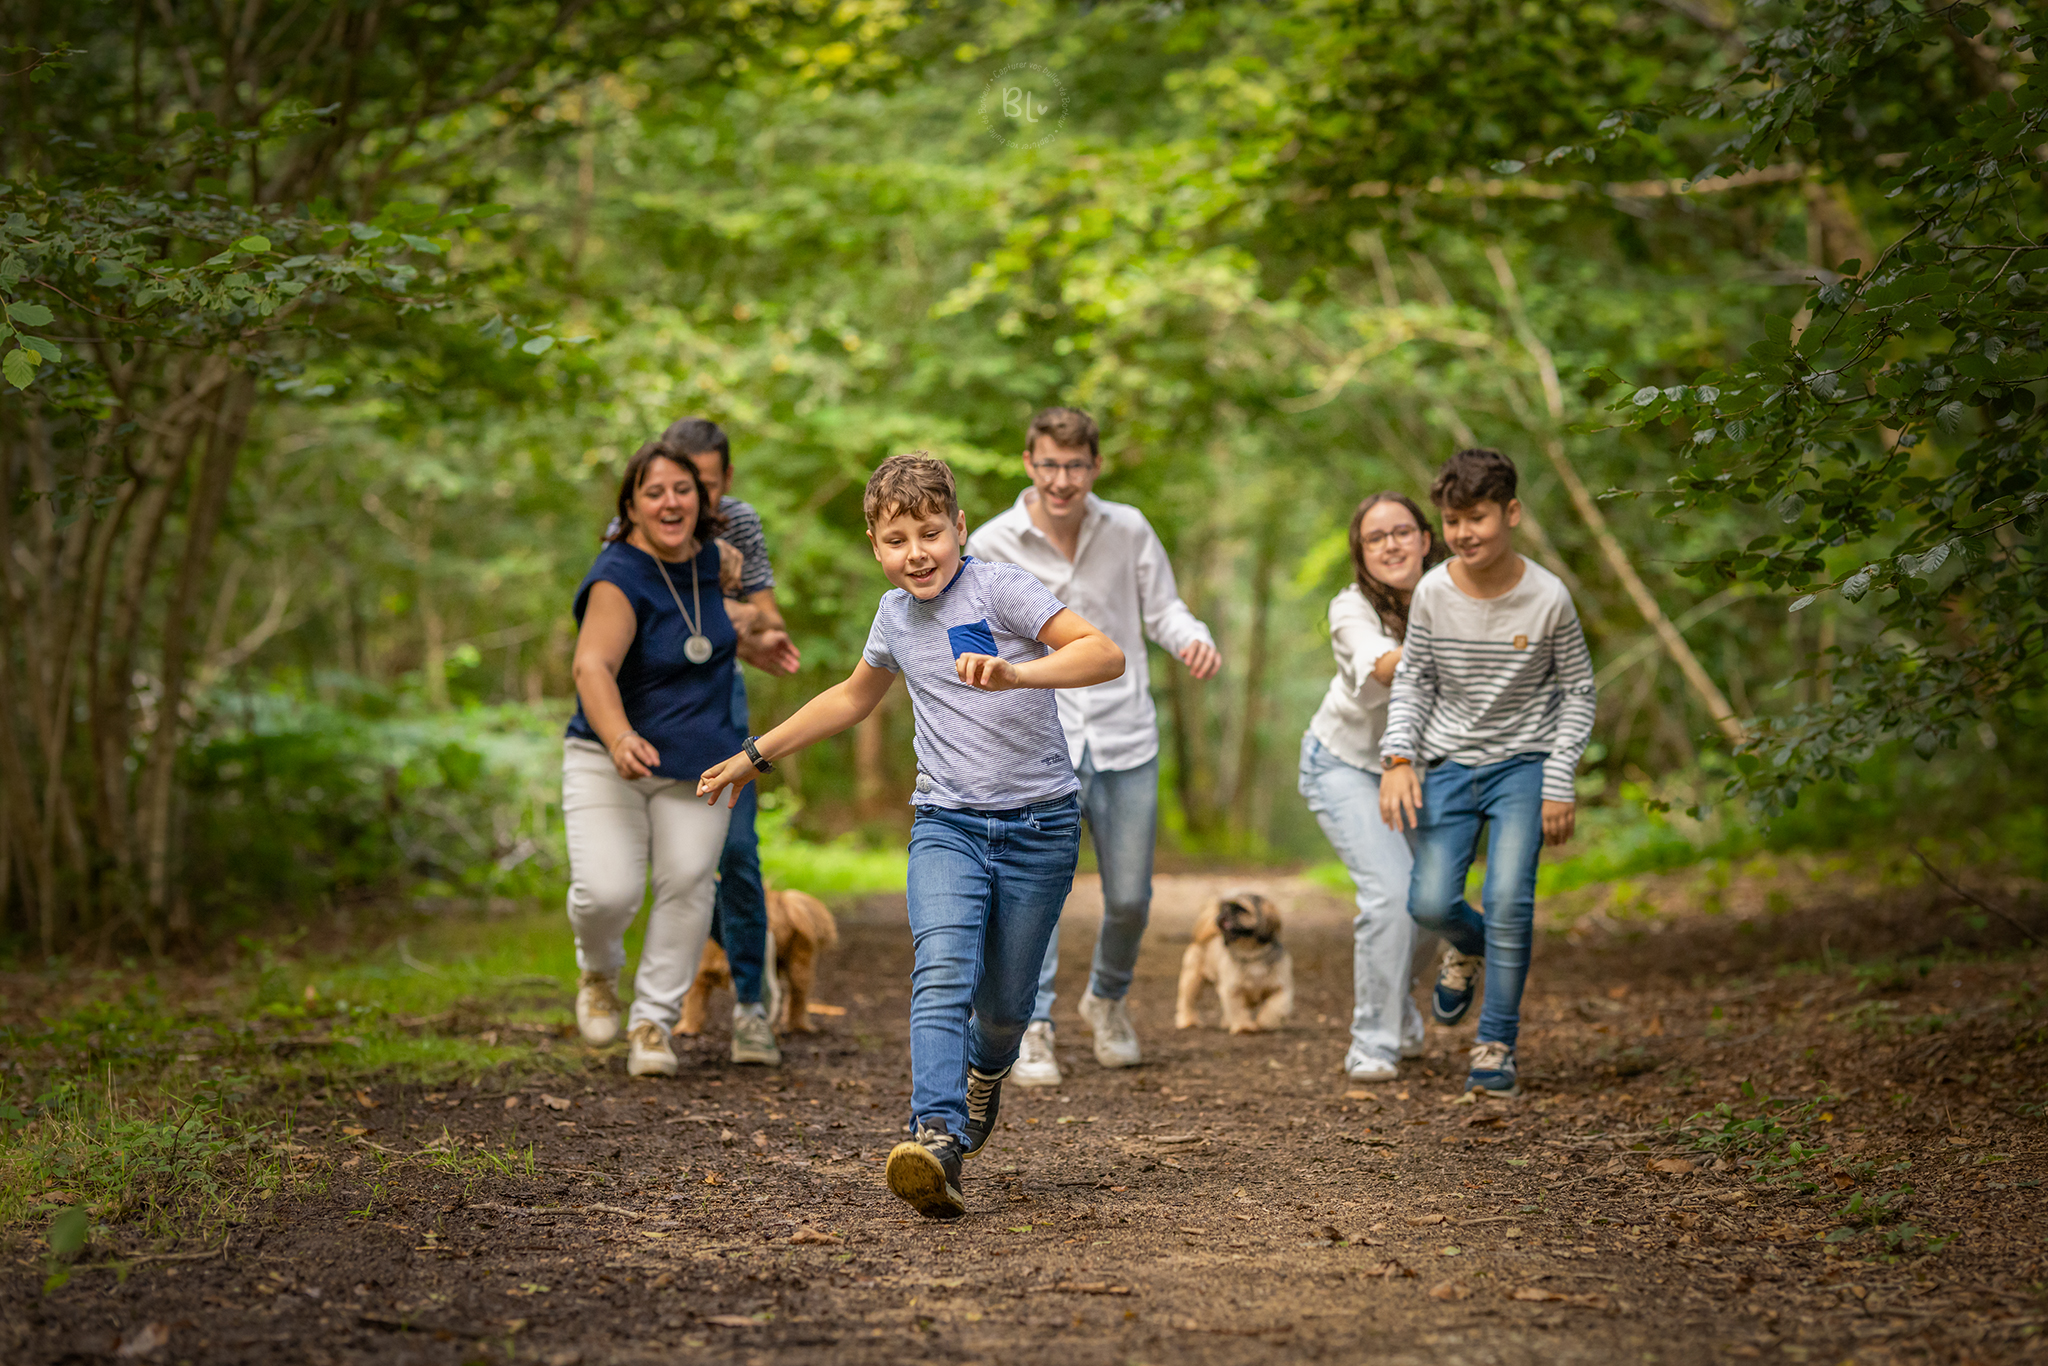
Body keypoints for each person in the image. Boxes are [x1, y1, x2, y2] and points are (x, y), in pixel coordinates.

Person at [697, 452, 1124, 1219]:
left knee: (1001, 1011)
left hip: (1040, 825)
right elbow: (852, 698)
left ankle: (984, 1074)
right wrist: (754, 755)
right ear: (875, 545)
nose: (916, 553)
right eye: (897, 540)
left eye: (931, 532)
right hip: (947, 824)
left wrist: (1017, 673)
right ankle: (936, 1136)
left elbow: (1104, 653)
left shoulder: (1001, 589)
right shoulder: (894, 616)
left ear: (959, 528)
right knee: (940, 967)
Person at [967, 407, 1219, 1086]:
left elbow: (1164, 608)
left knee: (1132, 896)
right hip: (1036, 739)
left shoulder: (1129, 527)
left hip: (1124, 732)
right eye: (1048, 464)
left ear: (1095, 467)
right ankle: (1035, 1024)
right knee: (1038, 891)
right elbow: (969, 635)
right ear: (1028, 463)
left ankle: (1106, 999)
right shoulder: (992, 542)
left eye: (1075, 465)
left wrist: (1192, 637)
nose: (1062, 479)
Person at [1378, 448, 1596, 1099]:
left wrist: (1559, 780)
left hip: (1524, 768)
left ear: (1511, 513)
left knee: (1508, 901)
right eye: (1452, 521)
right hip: (1446, 764)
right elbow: (1414, 679)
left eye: (1476, 517)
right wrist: (1398, 758)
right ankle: (1464, 947)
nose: (1464, 533)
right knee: (1430, 903)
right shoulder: (1436, 593)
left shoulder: (1549, 597)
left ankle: (1496, 1041)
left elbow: (1578, 691)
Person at [563, 440, 748, 1078]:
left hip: (702, 761)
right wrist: (618, 738)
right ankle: (597, 972)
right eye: (654, 491)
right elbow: (592, 666)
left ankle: (652, 1023)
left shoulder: (719, 560)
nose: (671, 501)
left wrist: (761, 632)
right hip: (608, 758)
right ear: (633, 506)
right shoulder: (617, 573)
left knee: (689, 883)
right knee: (605, 893)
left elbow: (720, 626)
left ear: (702, 497)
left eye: (683, 489)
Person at [663, 417, 802, 1067]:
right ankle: (659, 1004)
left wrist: (745, 627)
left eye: (709, 487)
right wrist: (727, 608)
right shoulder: (635, 525)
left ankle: (751, 1001)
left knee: (738, 850)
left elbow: (766, 617)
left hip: (721, 701)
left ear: (726, 481)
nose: (695, 503)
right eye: (684, 485)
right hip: (650, 710)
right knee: (676, 863)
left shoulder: (738, 522)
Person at [1298, 491, 1446, 1084]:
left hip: (1426, 770)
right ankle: (1373, 1041)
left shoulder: (1452, 596)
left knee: (1436, 904)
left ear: (1425, 538)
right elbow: (1385, 665)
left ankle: (1400, 1000)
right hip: (1346, 764)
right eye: (1375, 537)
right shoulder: (1350, 607)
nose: (1391, 544)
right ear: (1361, 552)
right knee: (1391, 892)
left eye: (1402, 531)